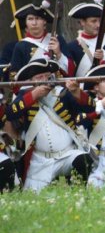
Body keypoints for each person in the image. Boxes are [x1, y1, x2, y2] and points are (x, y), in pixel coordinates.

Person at [5, 58, 93, 193]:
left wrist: (76, 92)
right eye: (40, 77)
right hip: (40, 160)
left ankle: (78, 193)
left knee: (83, 160)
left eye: (47, 76)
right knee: (32, 198)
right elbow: (10, 114)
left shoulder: (62, 93)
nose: (45, 79)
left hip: (67, 154)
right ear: (31, 81)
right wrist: (34, 95)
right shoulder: (25, 95)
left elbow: (90, 109)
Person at [67, 0, 105, 91]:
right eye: (94, 21)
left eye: (100, 21)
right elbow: (70, 74)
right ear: (82, 22)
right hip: (87, 92)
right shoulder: (72, 47)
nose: (98, 25)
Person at [9, 1, 74, 80]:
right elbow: (14, 78)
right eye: (30, 19)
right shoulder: (21, 45)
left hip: (58, 87)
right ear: (26, 23)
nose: (34, 23)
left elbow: (71, 71)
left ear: (44, 21)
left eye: (38, 18)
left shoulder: (56, 39)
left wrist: (58, 54)